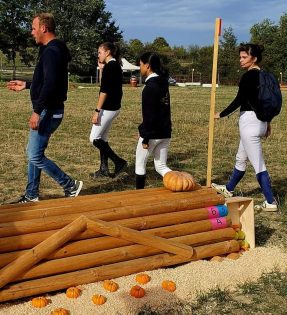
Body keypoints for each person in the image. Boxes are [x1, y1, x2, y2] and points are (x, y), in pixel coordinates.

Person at [7, 13, 83, 203]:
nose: (31, 32)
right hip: (48, 109)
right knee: (35, 152)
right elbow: (47, 80)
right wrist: (27, 84)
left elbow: (50, 84)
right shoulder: (53, 49)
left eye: (33, 28)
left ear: (43, 28)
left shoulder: (51, 51)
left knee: (33, 154)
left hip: (47, 110)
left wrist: (36, 112)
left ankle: (70, 185)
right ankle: (32, 194)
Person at [212, 43, 277, 211]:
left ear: (253, 58)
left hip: (250, 124)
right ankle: (229, 188)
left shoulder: (249, 77)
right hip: (260, 123)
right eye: (240, 57)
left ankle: (270, 202)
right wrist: (267, 123)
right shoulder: (264, 76)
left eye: (244, 57)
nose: (240, 60)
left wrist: (221, 114)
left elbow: (239, 99)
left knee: (258, 165)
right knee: (241, 158)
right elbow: (263, 102)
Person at [135, 52, 172, 189]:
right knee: (161, 166)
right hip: (165, 132)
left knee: (140, 164)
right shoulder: (163, 83)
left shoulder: (149, 88)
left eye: (140, 65)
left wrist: (145, 138)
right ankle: (179, 182)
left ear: (147, 66)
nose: (140, 68)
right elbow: (162, 111)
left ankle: (139, 195)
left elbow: (149, 115)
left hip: (152, 134)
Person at [90, 42, 127, 178]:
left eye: (100, 52)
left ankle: (118, 161)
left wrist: (97, 111)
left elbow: (103, 91)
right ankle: (104, 169)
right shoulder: (114, 66)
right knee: (103, 139)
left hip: (108, 108)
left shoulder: (111, 67)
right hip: (114, 107)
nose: (98, 55)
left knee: (94, 138)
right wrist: (101, 70)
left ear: (108, 52)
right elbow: (104, 84)